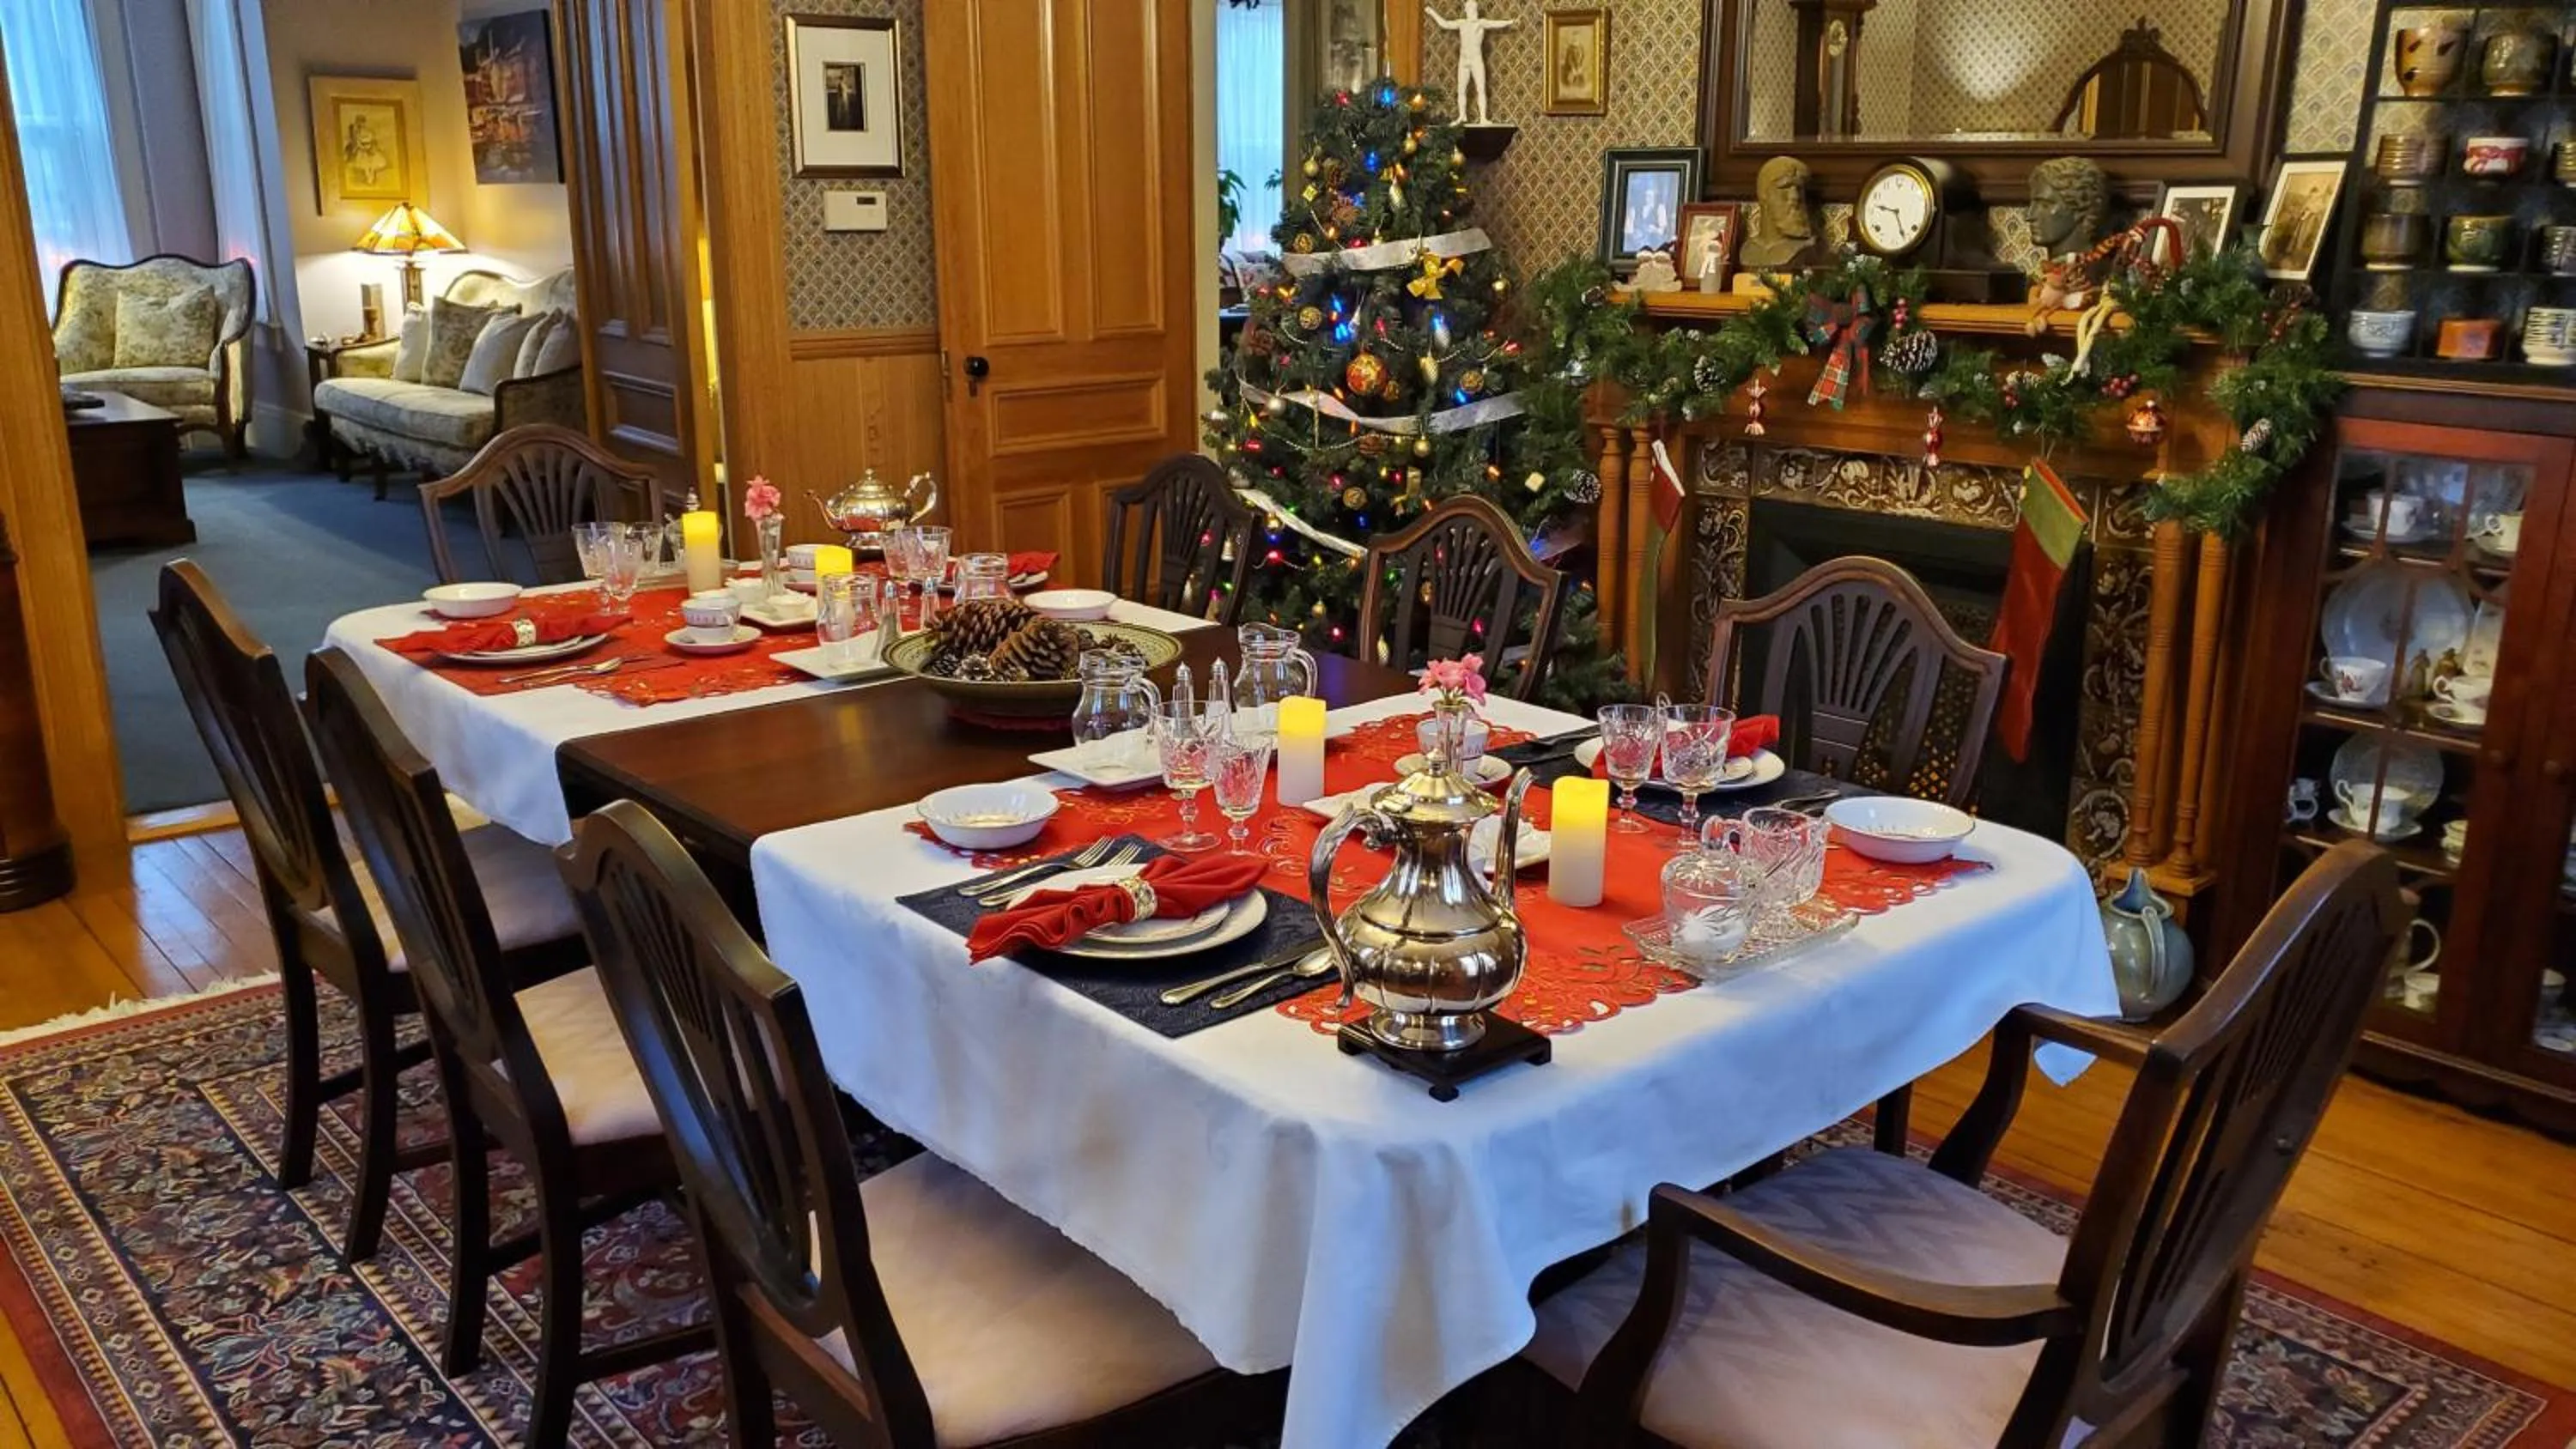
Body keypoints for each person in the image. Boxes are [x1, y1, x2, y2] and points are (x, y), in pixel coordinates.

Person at [1425, 1, 1516, 125]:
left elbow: (1495, 24)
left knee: (1481, 88)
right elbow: (1445, 24)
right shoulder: (1462, 23)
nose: (1471, 10)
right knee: (1461, 89)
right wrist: (1432, 13)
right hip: (1464, 60)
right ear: (1466, 10)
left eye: (1473, 7)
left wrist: (1509, 22)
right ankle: (1462, 116)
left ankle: (1483, 118)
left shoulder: (1481, 23)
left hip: (1476, 60)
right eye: (1468, 8)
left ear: (1476, 9)